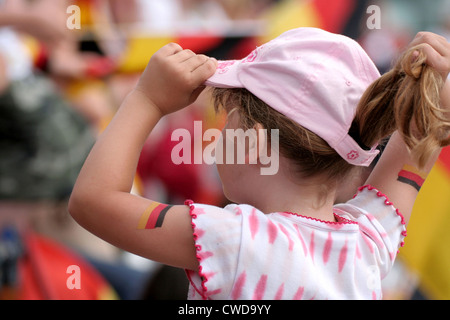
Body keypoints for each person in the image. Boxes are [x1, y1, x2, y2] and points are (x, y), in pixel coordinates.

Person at [69, 27, 450, 300]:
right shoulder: (366, 246)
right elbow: (418, 141)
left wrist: (147, 100)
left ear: (251, 141)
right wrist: (430, 87)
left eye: (226, 119)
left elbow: (92, 201)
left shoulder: (237, 241)